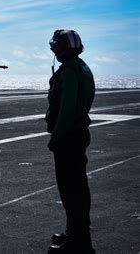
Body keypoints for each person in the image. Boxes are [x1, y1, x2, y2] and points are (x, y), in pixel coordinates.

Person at [45, 29, 96, 253]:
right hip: (78, 133)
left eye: (56, 45)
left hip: (68, 137)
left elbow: (66, 109)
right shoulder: (82, 67)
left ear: (63, 47)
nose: (53, 48)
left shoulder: (68, 72)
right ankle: (75, 232)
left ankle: (77, 241)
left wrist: (56, 137)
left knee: (71, 190)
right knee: (78, 188)